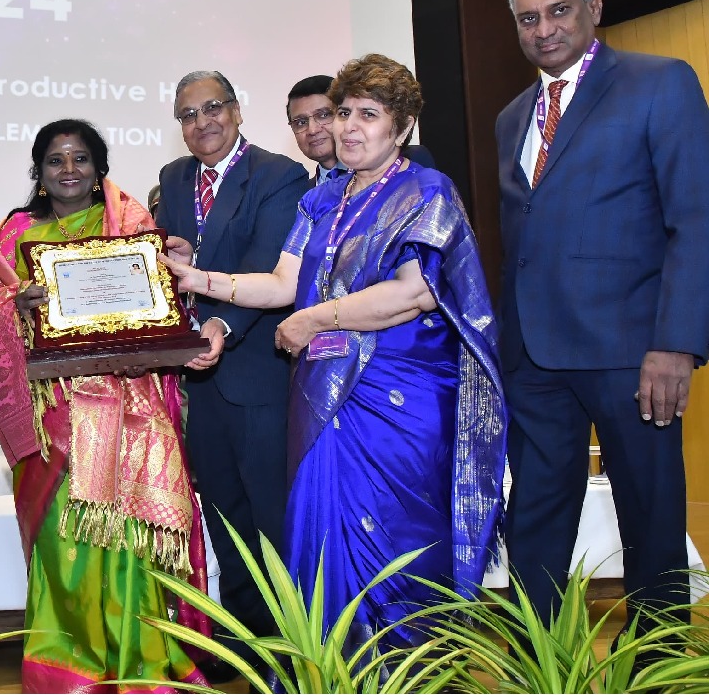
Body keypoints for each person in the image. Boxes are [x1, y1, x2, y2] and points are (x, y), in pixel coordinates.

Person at [163, 54, 506, 651]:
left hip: (400, 402)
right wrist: (201, 282)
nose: (347, 127)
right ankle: (334, 672)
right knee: (324, 539)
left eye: (367, 115)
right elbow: (282, 283)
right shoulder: (324, 201)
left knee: (396, 539)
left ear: (401, 126)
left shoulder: (426, 192)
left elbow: (415, 292)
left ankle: (411, 676)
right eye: (344, 111)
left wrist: (317, 318)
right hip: (323, 400)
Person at [498, 0, 709, 635]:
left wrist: (675, 342)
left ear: (594, 8)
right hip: (532, 358)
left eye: (558, 10)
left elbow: (694, 219)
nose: (543, 28)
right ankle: (538, 657)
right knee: (532, 517)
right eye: (528, 18)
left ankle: (658, 668)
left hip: (631, 353)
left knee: (648, 517)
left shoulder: (659, 83)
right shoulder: (512, 117)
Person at [0, 119, 211, 692]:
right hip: (52, 414)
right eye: (56, 161)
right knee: (62, 541)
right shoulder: (14, 234)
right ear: (39, 171)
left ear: (99, 166)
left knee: (127, 539)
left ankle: (140, 663)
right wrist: (17, 302)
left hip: (129, 407)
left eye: (81, 159)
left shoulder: (130, 224)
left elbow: (158, 300)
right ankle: (69, 668)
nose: (69, 171)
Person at [154, 70, 308, 663]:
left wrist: (219, 327)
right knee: (223, 516)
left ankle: (292, 653)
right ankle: (247, 646)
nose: (202, 123)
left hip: (256, 372)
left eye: (213, 108)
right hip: (198, 381)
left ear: (238, 110)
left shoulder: (277, 175)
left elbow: (268, 267)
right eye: (188, 115)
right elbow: (183, 259)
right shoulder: (174, 178)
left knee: (271, 519)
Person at [289, 74, 436, 189]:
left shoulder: (411, 165)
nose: (313, 130)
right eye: (300, 122)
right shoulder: (299, 195)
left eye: (324, 115)